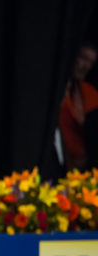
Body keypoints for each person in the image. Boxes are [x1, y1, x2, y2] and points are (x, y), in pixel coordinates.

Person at [58, 42, 98, 171]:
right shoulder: (55, 92)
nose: (86, 66)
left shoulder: (87, 93)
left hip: (82, 168)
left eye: (91, 62)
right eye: (83, 58)